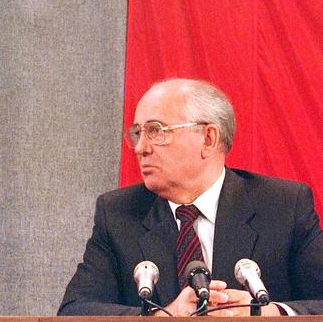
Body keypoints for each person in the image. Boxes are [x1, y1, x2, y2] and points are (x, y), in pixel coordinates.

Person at [58, 78, 323, 316]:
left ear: (208, 138)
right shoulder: (118, 213)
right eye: (138, 133)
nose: (140, 148)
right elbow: (75, 311)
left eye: (156, 131)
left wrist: (270, 314)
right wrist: (163, 317)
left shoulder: (283, 206)